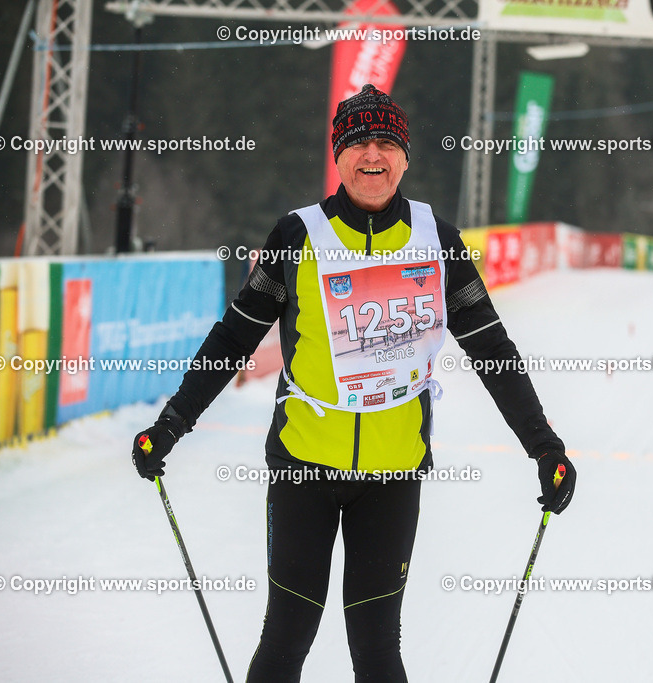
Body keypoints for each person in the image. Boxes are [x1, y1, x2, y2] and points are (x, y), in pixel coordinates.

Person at [130, 84, 576, 682]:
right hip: (303, 468)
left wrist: (544, 447)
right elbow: (234, 340)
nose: (374, 154)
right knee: (286, 638)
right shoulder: (297, 237)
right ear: (337, 155)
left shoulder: (437, 241)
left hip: (392, 475)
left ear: (406, 157)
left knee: (376, 648)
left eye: (387, 142)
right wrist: (170, 427)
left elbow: (492, 348)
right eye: (360, 141)